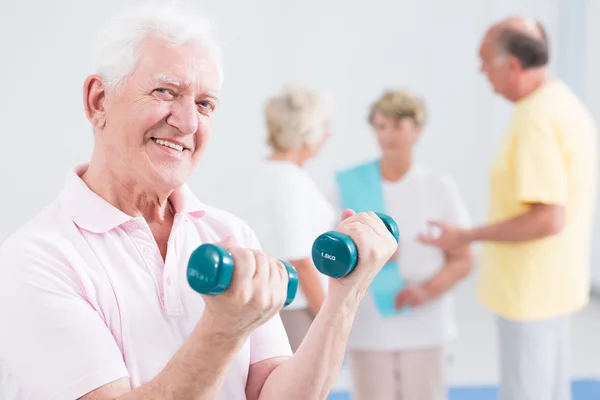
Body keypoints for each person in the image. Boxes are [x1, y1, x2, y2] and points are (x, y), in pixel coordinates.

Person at [0, 4, 398, 400]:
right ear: (99, 101)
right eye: (165, 91)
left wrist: (346, 295)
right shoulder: (34, 259)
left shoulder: (229, 233)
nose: (188, 122)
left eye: (205, 104)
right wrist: (223, 329)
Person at [419, 17, 598, 400]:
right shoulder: (563, 103)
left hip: (531, 292)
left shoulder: (536, 119)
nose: (482, 72)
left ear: (512, 65)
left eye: (486, 62)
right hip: (558, 283)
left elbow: (547, 218)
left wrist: (465, 235)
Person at [333, 89, 474, 400]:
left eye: (397, 126)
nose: (387, 135)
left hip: (424, 321)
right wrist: (367, 255)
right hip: (370, 321)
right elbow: (333, 255)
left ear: (418, 129)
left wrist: (426, 291)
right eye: (381, 126)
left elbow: (463, 258)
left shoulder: (439, 187)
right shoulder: (349, 186)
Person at [241, 84, 336, 352]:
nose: (329, 134)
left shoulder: (271, 173)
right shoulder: (286, 179)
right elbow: (299, 258)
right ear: (308, 130)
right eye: (324, 125)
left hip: (284, 305)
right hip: (297, 310)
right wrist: (329, 317)